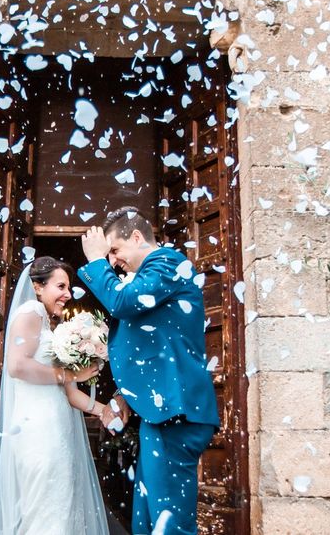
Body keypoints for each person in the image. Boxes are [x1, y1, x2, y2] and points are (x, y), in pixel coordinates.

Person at [78, 206, 220, 535]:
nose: (112, 261)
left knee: (170, 526)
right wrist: (123, 397)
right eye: (108, 255)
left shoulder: (168, 262)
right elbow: (149, 347)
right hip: (163, 415)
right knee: (147, 522)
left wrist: (96, 260)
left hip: (177, 413)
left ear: (138, 237)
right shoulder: (152, 278)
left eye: (115, 250)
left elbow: (122, 303)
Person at [0, 256, 110, 535]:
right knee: (42, 511)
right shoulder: (31, 311)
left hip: (58, 430)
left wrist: (103, 409)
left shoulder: (52, 328)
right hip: (38, 431)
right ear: (37, 287)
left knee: (59, 508)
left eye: (68, 288)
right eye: (61, 286)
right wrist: (71, 375)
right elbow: (17, 366)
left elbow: (70, 394)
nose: (68, 295)